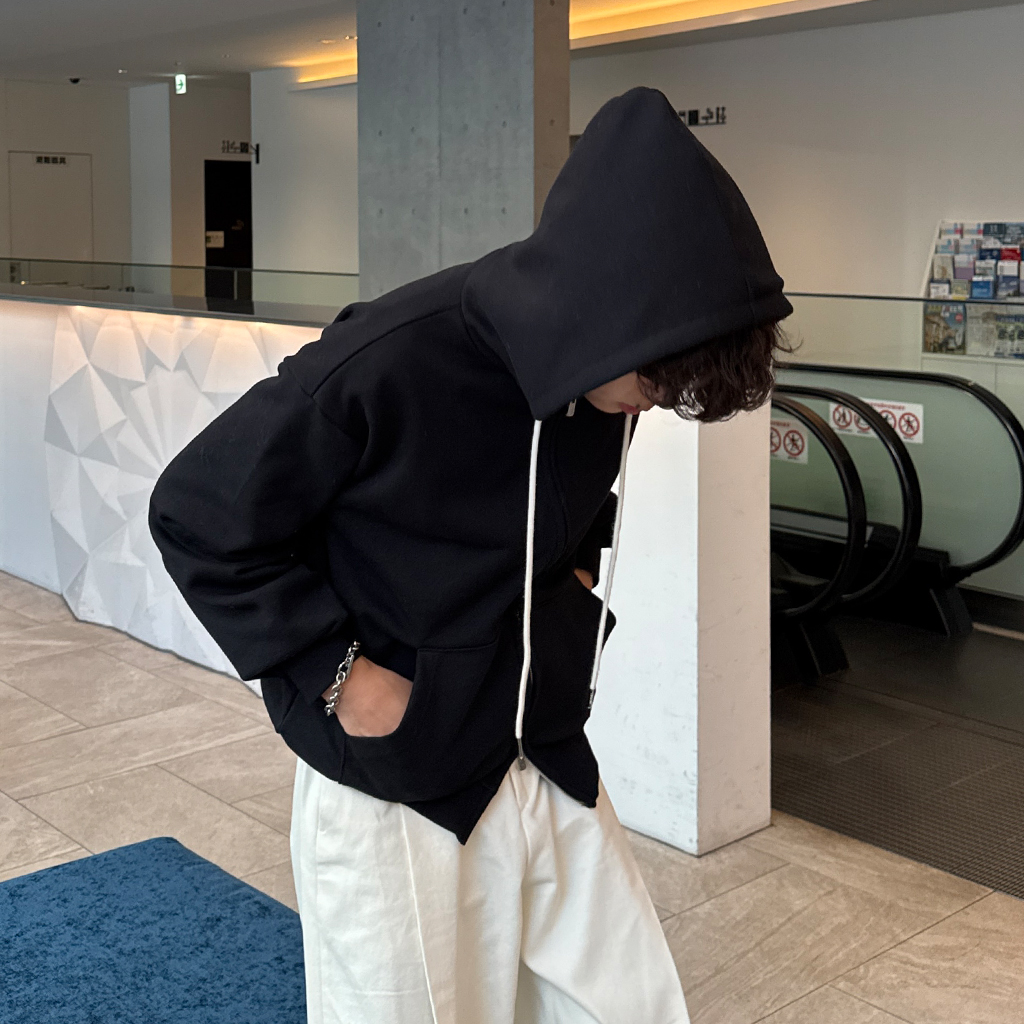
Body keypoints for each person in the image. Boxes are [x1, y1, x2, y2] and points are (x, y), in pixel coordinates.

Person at [149, 86, 792, 1024]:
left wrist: (574, 586)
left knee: (626, 1007)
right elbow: (196, 513)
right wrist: (338, 675)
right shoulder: (388, 360)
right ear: (601, 308)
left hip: (544, 750)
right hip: (399, 781)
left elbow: (571, 499)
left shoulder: (605, 375)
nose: (654, 401)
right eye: (655, 377)